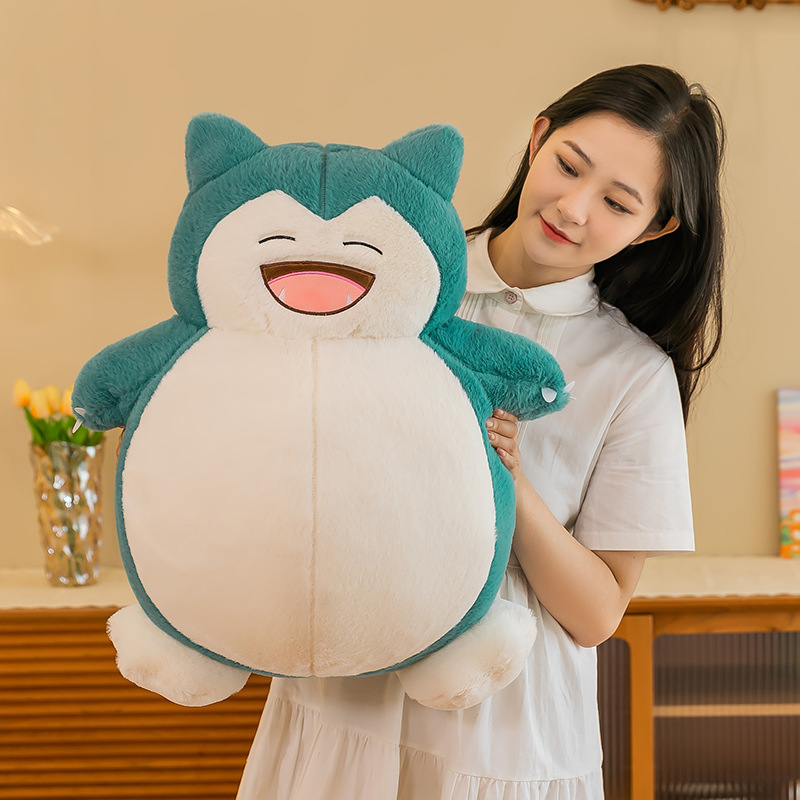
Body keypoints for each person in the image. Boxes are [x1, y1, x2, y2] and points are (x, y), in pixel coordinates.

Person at [236, 63, 725, 800]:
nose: (574, 208)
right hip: (345, 692)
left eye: (617, 203)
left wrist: (509, 478)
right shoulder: (397, 274)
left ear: (655, 227)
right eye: (569, 166)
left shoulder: (633, 373)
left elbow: (598, 614)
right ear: (537, 138)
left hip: (503, 730)